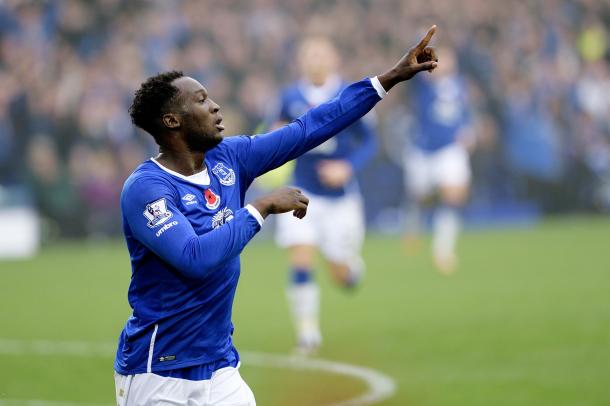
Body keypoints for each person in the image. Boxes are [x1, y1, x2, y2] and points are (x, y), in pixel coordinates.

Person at [113, 26, 438, 406]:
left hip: (219, 367)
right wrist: (260, 207)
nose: (216, 106)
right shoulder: (147, 189)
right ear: (172, 122)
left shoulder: (229, 158)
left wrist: (388, 79)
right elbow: (195, 259)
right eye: (201, 100)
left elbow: (309, 127)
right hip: (158, 372)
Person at [271, 36, 378, 354]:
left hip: (341, 200)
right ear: (300, 61)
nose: (314, 60)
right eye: (308, 54)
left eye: (320, 54)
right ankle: (308, 334)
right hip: (300, 193)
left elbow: (370, 142)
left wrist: (347, 166)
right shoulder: (289, 97)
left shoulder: (350, 94)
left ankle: (349, 269)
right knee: (301, 258)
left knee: (341, 274)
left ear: (334, 59)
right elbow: (275, 132)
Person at [403, 47, 473, 274]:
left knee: (454, 195)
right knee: (421, 197)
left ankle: (443, 251)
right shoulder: (422, 84)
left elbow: (464, 113)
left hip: (450, 149)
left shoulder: (460, 85)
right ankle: (413, 224)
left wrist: (468, 131)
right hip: (423, 150)